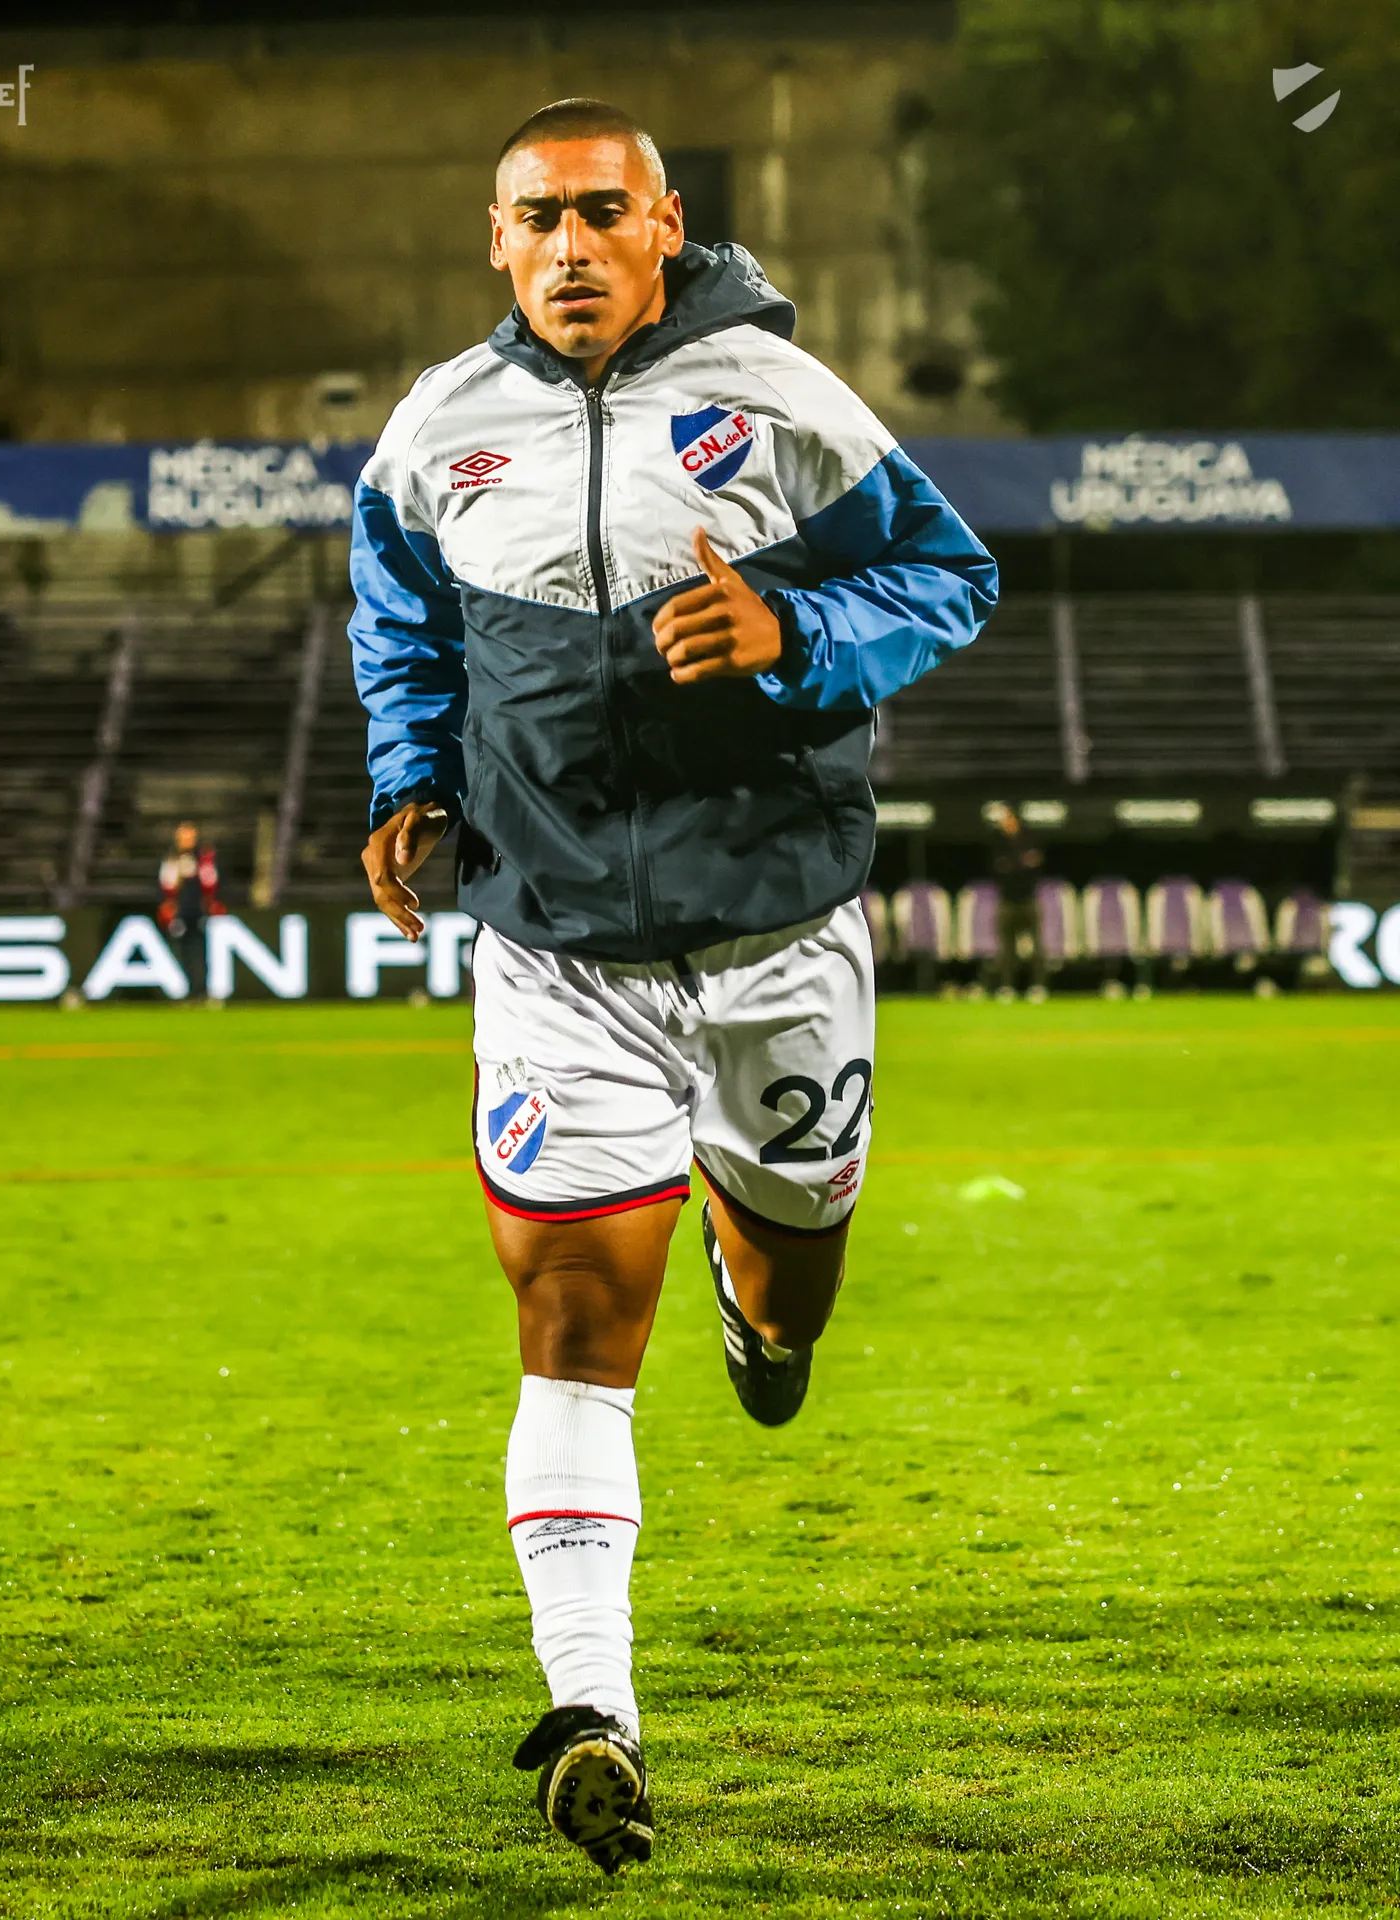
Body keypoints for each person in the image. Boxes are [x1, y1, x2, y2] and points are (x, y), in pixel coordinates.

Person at [350, 98, 998, 1875]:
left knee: (793, 1293)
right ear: (496, 240)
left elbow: (951, 575)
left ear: (665, 224)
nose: (568, 245)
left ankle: (761, 1308)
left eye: (600, 212)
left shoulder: (779, 399)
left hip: (780, 935)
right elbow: (402, 626)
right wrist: (410, 781)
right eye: (536, 217)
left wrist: (801, 633)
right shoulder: (437, 430)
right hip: (555, 947)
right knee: (572, 1322)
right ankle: (592, 1713)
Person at [987, 802, 1047, 1001]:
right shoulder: (997, 841)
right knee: (1007, 949)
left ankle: (1038, 986)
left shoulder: (1030, 837)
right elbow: (998, 868)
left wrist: (1015, 865)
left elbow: (1036, 863)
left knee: (1037, 947)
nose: (1002, 823)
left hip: (1029, 899)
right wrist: (1020, 863)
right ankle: (1007, 986)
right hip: (1007, 901)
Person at [157, 822, 222, 1001]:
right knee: (182, 952)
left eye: (190, 836)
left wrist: (210, 904)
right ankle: (188, 991)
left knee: (203, 951)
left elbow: (212, 882)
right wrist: (169, 906)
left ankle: (204, 990)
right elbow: (165, 884)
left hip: (199, 911)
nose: (187, 840)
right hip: (180, 913)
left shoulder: (204, 857)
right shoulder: (171, 858)